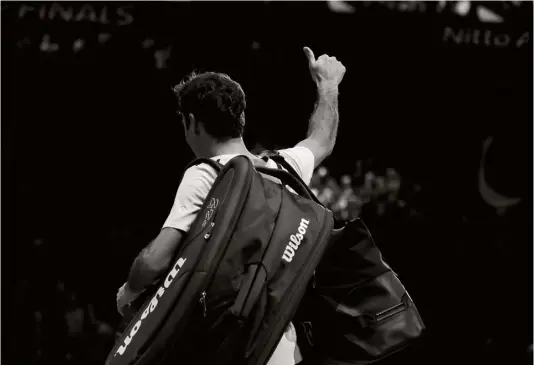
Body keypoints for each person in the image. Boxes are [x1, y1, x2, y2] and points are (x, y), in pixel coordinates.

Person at [116, 46, 346, 365]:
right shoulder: (283, 168)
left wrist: (128, 290)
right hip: (282, 345)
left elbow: (156, 261)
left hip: (229, 348)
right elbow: (322, 139)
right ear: (241, 117)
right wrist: (328, 85)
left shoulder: (207, 173)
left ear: (191, 122)